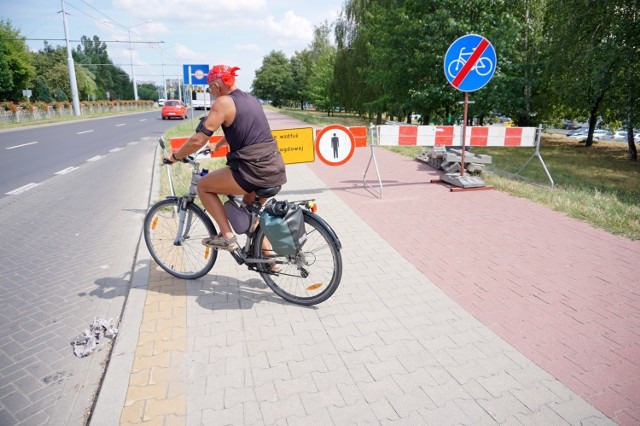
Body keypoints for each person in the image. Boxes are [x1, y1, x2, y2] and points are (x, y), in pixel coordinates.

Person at [164, 65, 287, 251]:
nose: (210, 92)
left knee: (204, 186)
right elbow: (241, 130)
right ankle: (270, 261)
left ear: (217, 85)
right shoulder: (252, 100)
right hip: (274, 168)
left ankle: (227, 237)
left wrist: (174, 156)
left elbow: (198, 139)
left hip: (252, 171)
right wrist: (217, 145)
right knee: (249, 215)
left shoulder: (223, 103)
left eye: (209, 88)